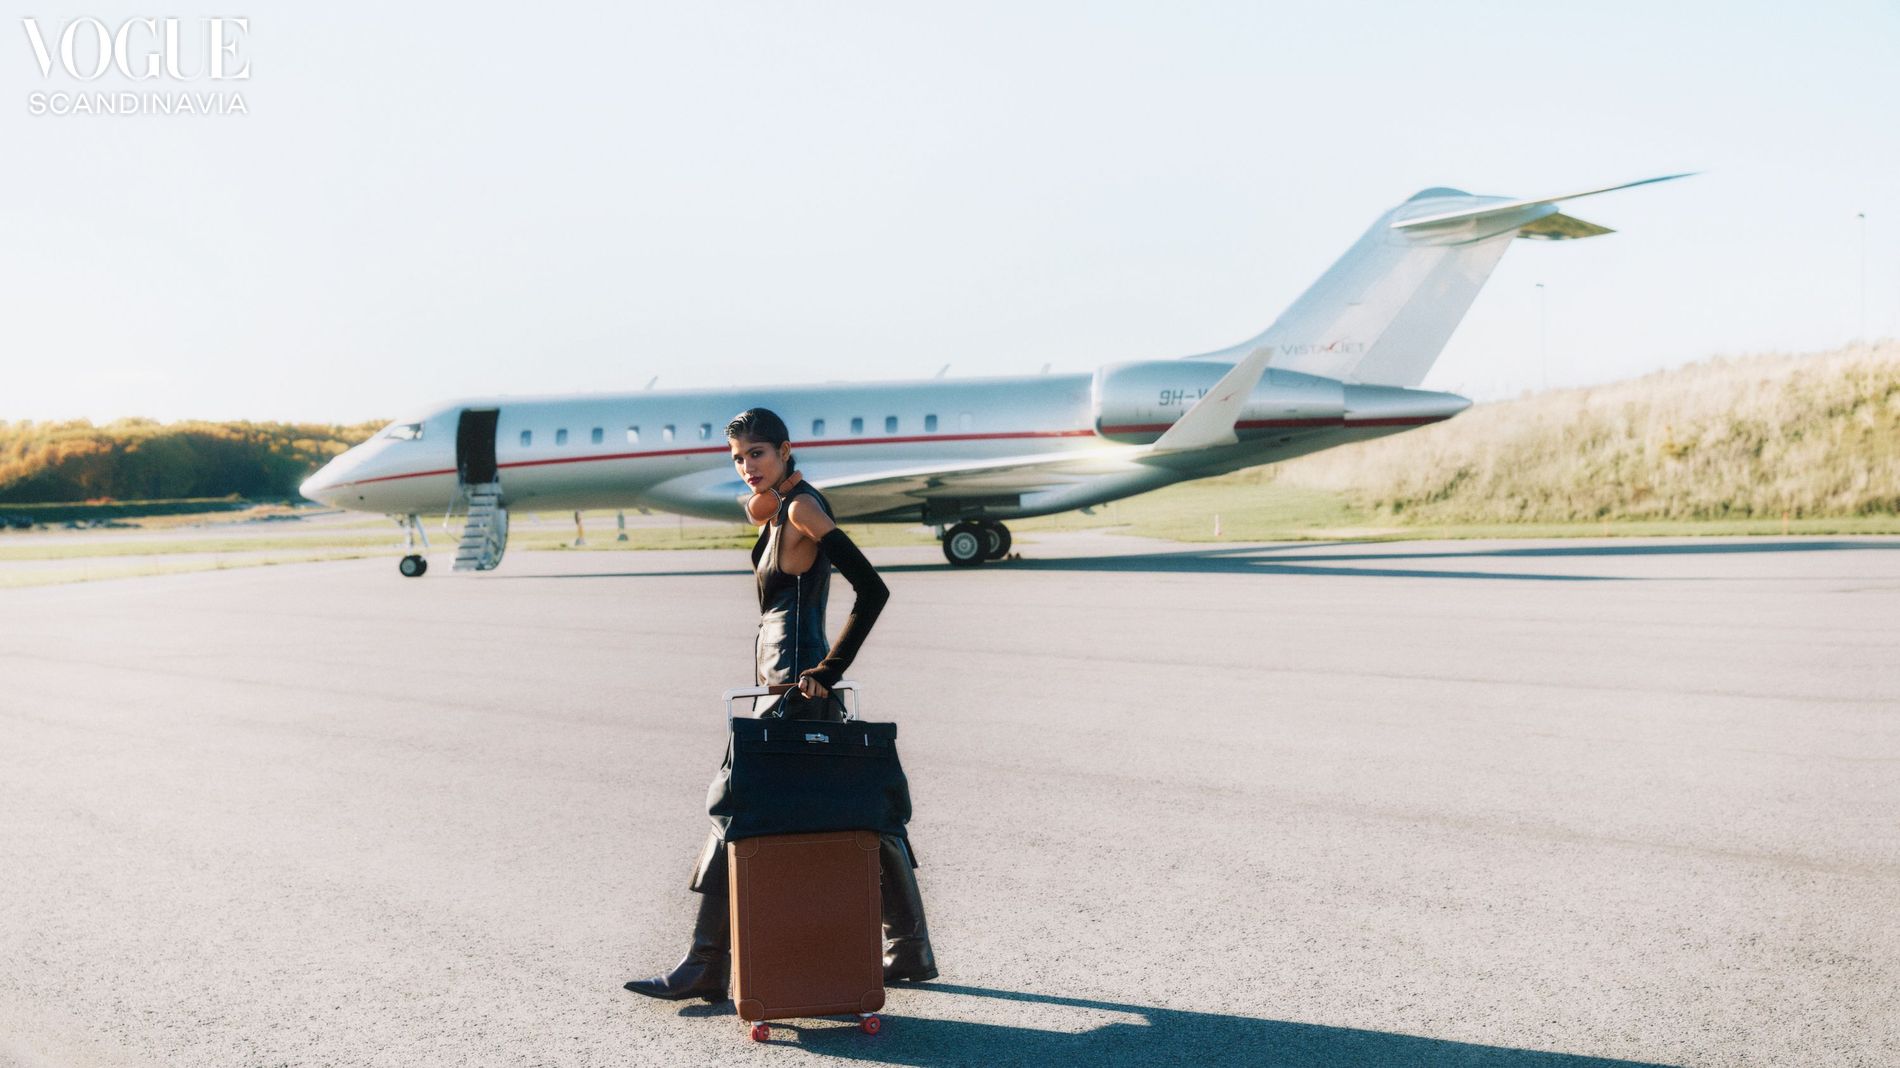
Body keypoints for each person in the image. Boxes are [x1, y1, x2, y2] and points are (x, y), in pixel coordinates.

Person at [624, 407, 937, 1002]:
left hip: (796, 685)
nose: (747, 467)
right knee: (860, 805)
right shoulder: (780, 504)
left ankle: (705, 963)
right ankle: (909, 947)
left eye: (758, 454)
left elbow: (872, 589)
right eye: (738, 458)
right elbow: (756, 511)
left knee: (735, 807)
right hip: (783, 682)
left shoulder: (801, 510)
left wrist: (828, 671)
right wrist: (765, 493)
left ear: (786, 449)